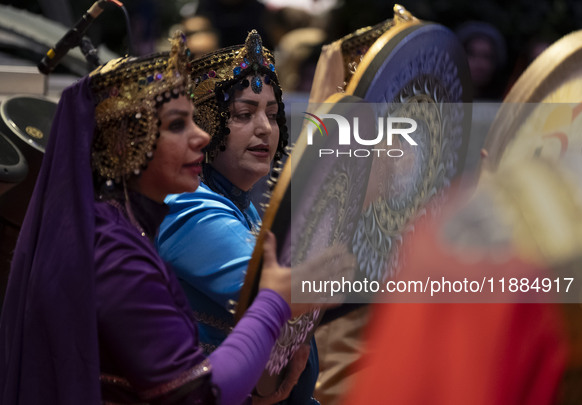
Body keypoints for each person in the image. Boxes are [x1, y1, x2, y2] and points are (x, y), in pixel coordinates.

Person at [0, 31, 350, 405]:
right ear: (128, 145)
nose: (202, 134)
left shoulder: (128, 228)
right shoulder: (118, 256)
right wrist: (274, 305)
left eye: (270, 114)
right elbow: (199, 395)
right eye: (179, 125)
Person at [156, 30, 320, 404]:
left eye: (273, 115)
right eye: (244, 114)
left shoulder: (239, 203)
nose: (265, 128)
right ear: (206, 127)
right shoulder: (187, 205)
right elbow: (284, 293)